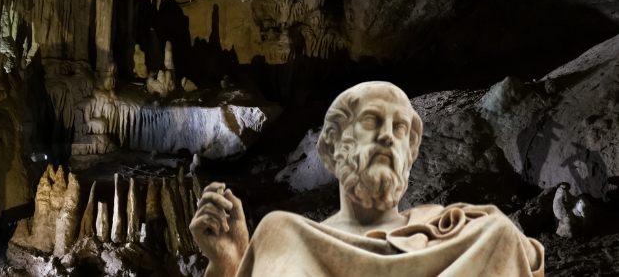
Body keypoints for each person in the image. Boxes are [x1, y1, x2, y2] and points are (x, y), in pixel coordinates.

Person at [190, 81, 544, 277]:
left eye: (400, 128)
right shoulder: (283, 237)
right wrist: (226, 263)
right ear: (332, 146)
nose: (388, 136)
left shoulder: (467, 233)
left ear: (411, 153)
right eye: (372, 122)